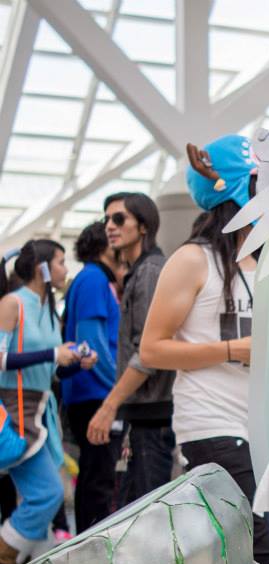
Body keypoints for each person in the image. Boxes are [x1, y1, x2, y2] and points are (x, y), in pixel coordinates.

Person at [139, 136, 269, 564]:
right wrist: (232, 350)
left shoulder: (261, 262)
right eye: (261, 185)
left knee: (231, 545)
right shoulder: (192, 260)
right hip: (208, 421)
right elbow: (152, 348)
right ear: (238, 191)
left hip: (257, 421)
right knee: (255, 539)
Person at [0, 241, 97, 564]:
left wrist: (75, 362)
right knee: (47, 494)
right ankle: (8, 560)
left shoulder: (47, 310)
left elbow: (52, 371)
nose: (65, 269)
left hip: (39, 412)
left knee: (46, 494)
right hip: (17, 413)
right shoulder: (13, 303)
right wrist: (55, 354)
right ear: (41, 267)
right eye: (59, 262)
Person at [87, 192, 172, 504]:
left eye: (119, 218)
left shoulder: (149, 272)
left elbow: (149, 352)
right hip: (144, 416)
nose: (110, 226)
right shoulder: (142, 271)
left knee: (147, 514)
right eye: (107, 219)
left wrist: (109, 406)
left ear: (144, 226)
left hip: (153, 417)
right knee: (136, 511)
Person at [62, 221, 122, 532]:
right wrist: (120, 389)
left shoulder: (92, 278)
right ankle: (92, 545)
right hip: (96, 394)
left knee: (94, 478)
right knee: (98, 481)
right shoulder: (94, 278)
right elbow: (91, 343)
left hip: (93, 392)